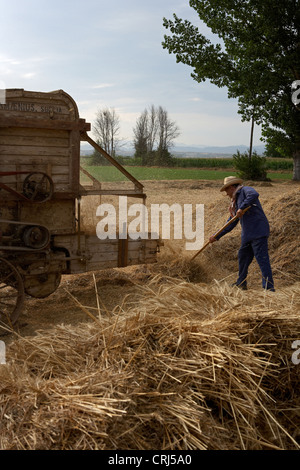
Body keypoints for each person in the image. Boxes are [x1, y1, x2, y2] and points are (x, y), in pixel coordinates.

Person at [209, 176, 275, 291]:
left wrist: (242, 207)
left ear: (231, 187)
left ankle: (269, 288)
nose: (226, 194)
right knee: (243, 257)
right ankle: (241, 283)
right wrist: (216, 236)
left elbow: (254, 194)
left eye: (226, 191)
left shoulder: (245, 190)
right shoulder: (235, 202)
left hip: (258, 230)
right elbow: (231, 222)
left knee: (262, 259)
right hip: (248, 234)